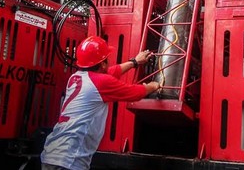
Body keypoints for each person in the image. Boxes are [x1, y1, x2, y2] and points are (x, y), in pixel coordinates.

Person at [41, 35, 160, 170]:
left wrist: (134, 62)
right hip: (69, 159)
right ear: (102, 64)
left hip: (52, 153)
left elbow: (110, 72)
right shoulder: (101, 82)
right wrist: (153, 86)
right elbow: (134, 93)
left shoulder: (75, 78)